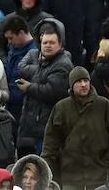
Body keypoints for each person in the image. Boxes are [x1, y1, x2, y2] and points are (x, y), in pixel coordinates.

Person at [41, 66, 109, 190]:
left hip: (99, 174)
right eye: (79, 81)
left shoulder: (103, 105)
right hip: (70, 174)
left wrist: (108, 160)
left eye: (86, 81)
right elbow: (51, 142)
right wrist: (47, 166)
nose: (83, 85)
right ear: (72, 85)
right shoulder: (61, 108)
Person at [16, 21, 73, 157]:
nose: (47, 45)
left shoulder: (62, 65)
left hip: (47, 128)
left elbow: (53, 92)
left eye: (52, 43)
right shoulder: (44, 62)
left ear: (60, 44)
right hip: (34, 127)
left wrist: (29, 87)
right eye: (45, 43)